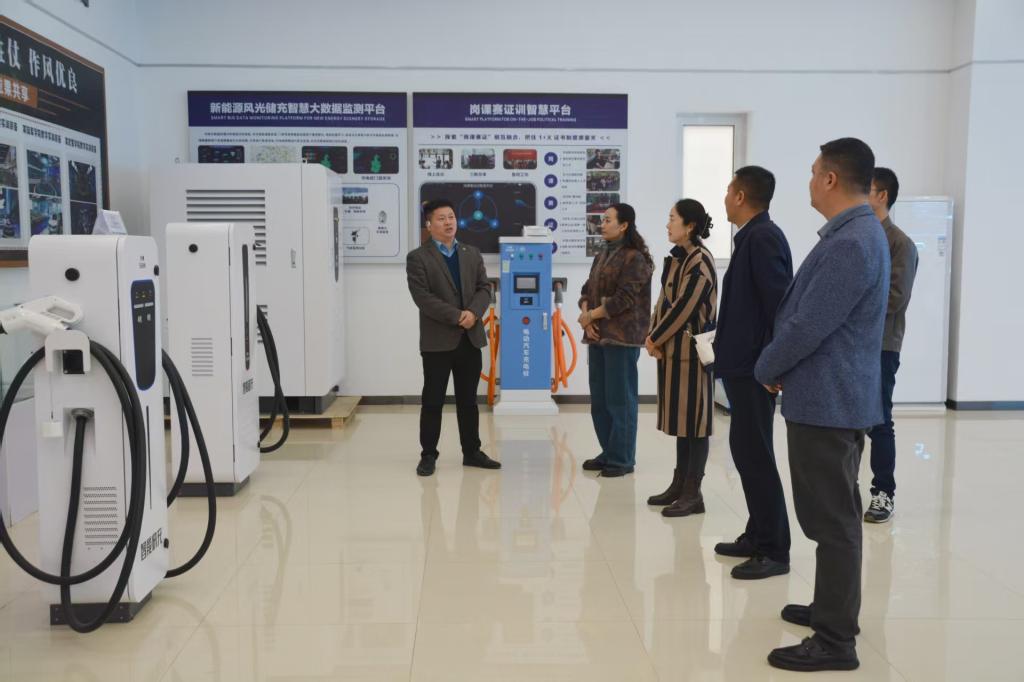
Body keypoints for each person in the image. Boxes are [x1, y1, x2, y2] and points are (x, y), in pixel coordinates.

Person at [755, 138, 890, 672]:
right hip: (830, 398)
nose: (809, 181)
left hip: (828, 402)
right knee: (833, 516)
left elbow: (809, 324)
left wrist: (767, 367)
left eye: (814, 172)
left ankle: (835, 640)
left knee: (832, 522)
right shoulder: (854, 234)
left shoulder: (851, 242)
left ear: (831, 179)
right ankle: (831, 609)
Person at [714, 166, 795, 580]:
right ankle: (757, 533)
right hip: (743, 366)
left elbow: (781, 307)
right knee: (746, 452)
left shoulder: (763, 238)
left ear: (741, 196)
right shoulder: (751, 237)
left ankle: (774, 549)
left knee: (757, 456)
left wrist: (771, 365)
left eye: (729, 190)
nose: (725, 198)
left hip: (755, 371)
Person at [406, 198, 501, 476]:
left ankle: (472, 452)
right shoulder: (418, 257)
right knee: (433, 400)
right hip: (437, 342)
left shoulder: (471, 253)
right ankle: (428, 455)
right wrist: (458, 316)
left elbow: (484, 288)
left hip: (469, 339)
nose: (448, 222)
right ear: (428, 224)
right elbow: (423, 298)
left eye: (451, 217)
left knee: (468, 401)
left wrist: (473, 313)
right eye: (441, 218)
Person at [645, 199, 718, 516]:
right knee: (682, 422)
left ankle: (693, 493)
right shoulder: (678, 258)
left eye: (672, 218)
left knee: (696, 423)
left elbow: (684, 308)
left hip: (692, 355)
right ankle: (679, 485)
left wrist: (655, 338)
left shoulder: (700, 261)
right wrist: (652, 334)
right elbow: (663, 301)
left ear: (689, 226)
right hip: (673, 353)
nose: (667, 224)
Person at [578, 203, 654, 477]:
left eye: (608, 220)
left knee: (620, 401)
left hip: (622, 338)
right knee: (600, 400)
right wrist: (587, 317)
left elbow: (623, 299)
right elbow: (586, 290)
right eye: (603, 219)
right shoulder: (602, 255)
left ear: (623, 225)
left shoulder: (635, 258)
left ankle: (622, 459)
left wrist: (590, 316)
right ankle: (609, 451)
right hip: (597, 336)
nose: (602, 224)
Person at [864, 167, 918, 523]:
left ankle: (883, 492)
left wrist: (854, 302)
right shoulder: (861, 237)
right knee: (851, 422)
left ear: (882, 196)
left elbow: (896, 298)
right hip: (855, 345)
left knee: (880, 420)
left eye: (865, 189)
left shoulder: (900, 244)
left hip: (882, 346)